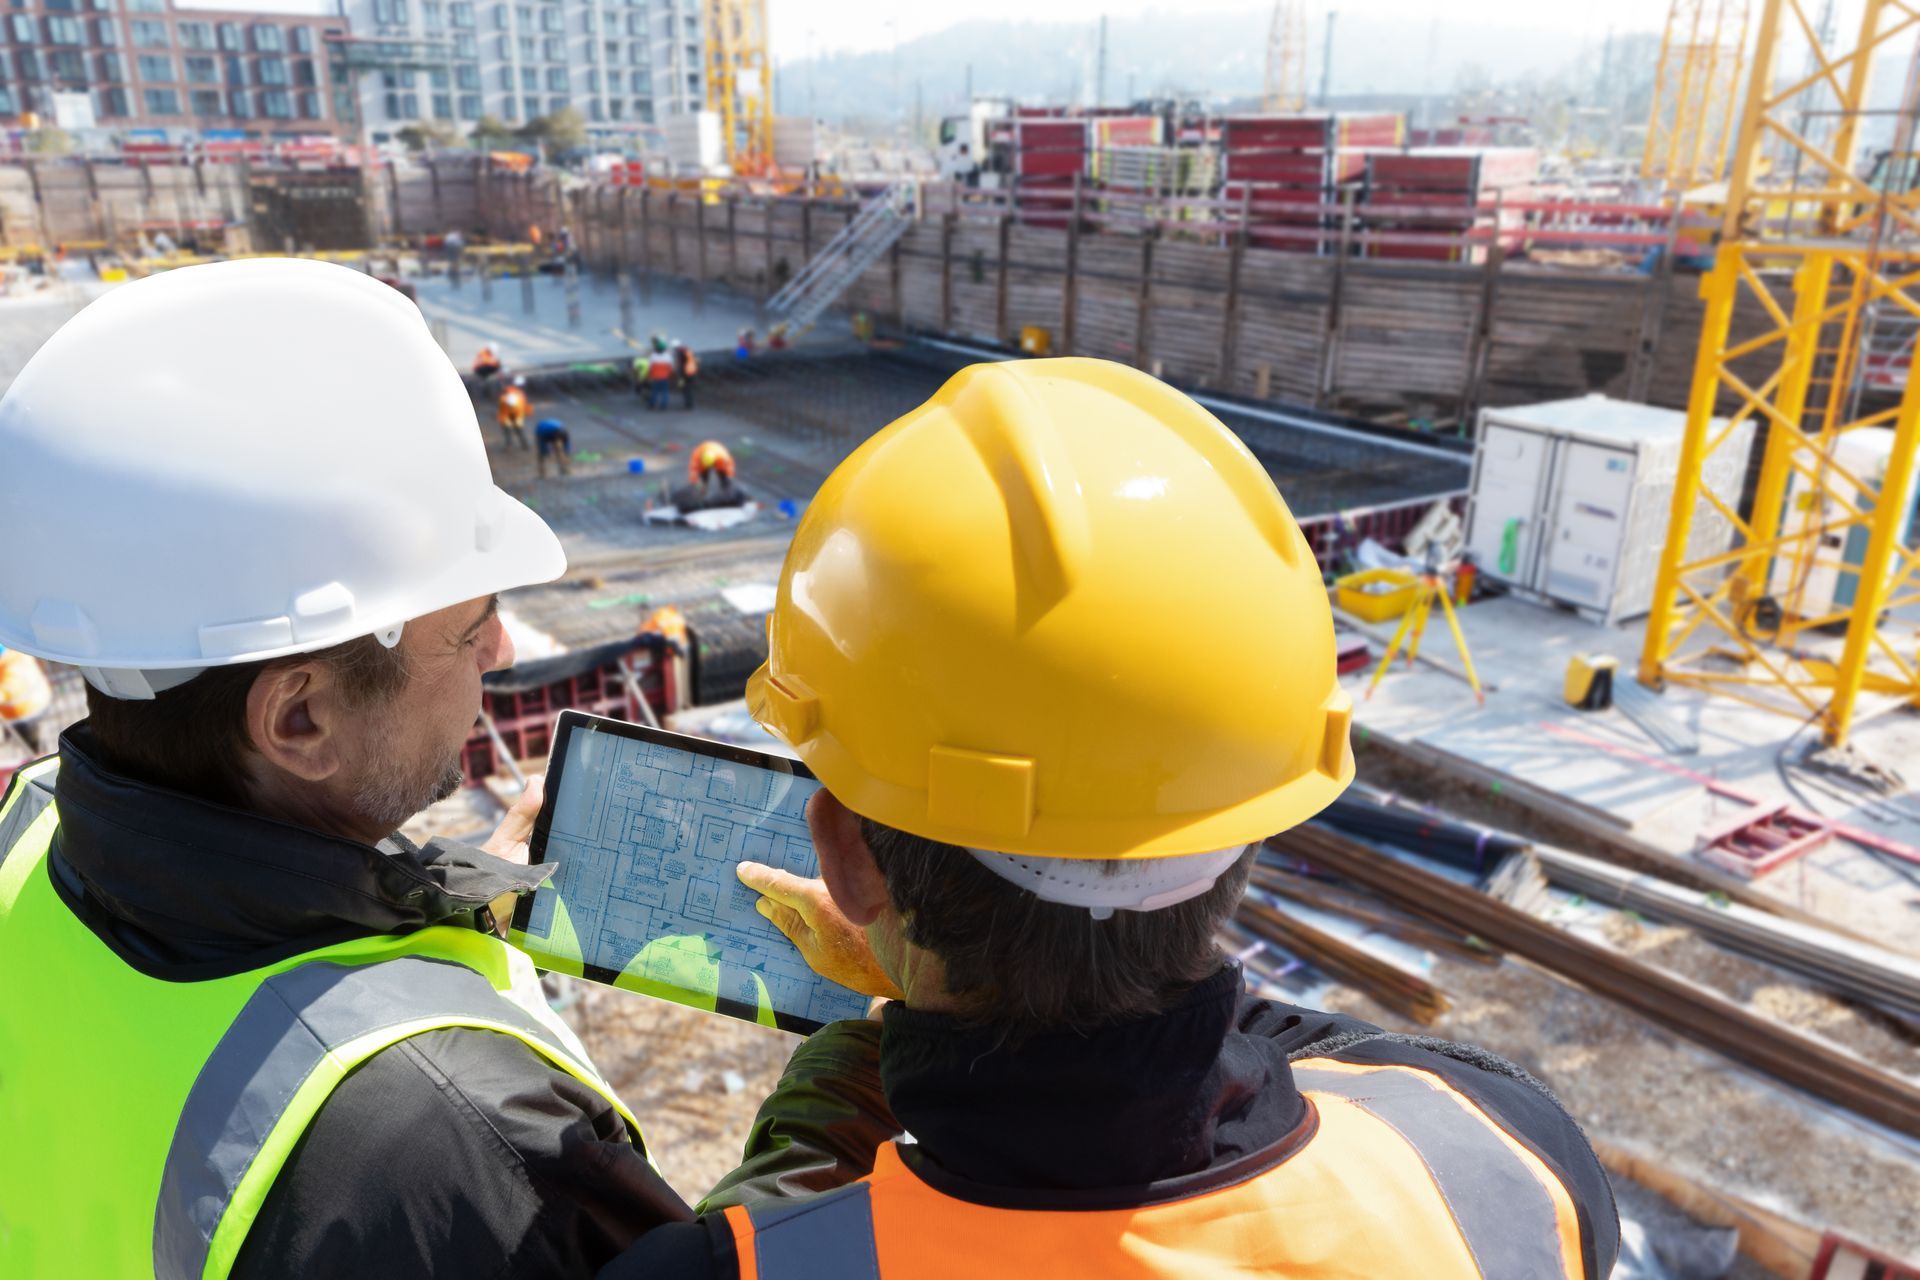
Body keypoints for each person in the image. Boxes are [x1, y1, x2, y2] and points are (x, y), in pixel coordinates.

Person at [605, 359, 1619, 1280]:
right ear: (1247, 830)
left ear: (849, 861)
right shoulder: (1505, 1161)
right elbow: (1351, 1054)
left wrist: (873, 1032)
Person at [0, 259, 692, 1278]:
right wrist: (849, 1081)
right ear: (302, 717)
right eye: (470, 626)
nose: (500, 652)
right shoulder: (464, 1141)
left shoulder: (28, 833)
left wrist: (431, 902)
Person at [497, 374, 531, 450]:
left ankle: (511, 445)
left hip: (511, 415)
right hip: (515, 415)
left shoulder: (512, 393)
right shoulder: (519, 393)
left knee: (510, 431)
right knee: (517, 431)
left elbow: (508, 402)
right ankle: (524, 445)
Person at [645, 338, 675, 411]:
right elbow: (670, 369)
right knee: (665, 392)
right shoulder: (668, 357)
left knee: (654, 392)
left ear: (656, 349)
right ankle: (663, 405)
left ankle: (652, 405)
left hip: (655, 377)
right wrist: (671, 376)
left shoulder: (653, 357)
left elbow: (650, 368)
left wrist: (648, 376)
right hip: (665, 377)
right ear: (664, 349)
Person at [673, 341, 699, 410]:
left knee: (684, 389)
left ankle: (688, 404)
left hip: (684, 374)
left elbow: (679, 365)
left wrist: (678, 373)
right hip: (692, 373)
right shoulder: (690, 353)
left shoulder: (680, 354)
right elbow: (696, 362)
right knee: (689, 389)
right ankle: (689, 404)